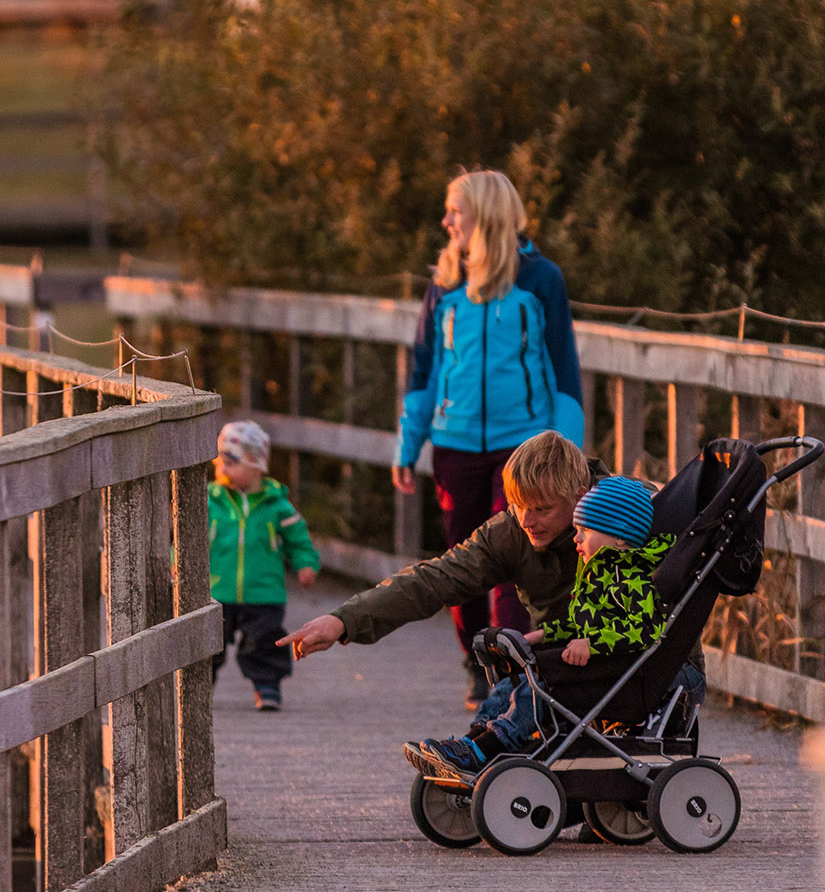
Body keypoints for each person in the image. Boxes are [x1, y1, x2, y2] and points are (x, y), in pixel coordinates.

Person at [393, 170, 585, 704]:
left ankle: (514, 668)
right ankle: (478, 664)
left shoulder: (540, 279)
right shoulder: (445, 283)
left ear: (485, 213)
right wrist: (408, 445)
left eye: (455, 210)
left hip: (520, 445)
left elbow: (564, 368)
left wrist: (570, 461)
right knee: (463, 559)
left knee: (514, 554)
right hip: (454, 444)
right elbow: (424, 370)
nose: (446, 221)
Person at [401, 475, 703, 776]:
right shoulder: (601, 573)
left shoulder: (634, 579)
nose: (576, 538)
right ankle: (474, 742)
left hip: (623, 675)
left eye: (584, 530)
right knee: (513, 682)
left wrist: (592, 644)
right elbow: (578, 623)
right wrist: (539, 636)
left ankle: (489, 748)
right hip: (605, 670)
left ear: (620, 537)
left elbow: (644, 630)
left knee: (536, 690)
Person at [283, 430, 602, 685]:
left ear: (579, 494)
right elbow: (435, 580)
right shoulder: (510, 533)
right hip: (559, 661)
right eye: (518, 506)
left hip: (615, 657)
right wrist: (342, 620)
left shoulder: (628, 517)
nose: (526, 522)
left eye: (541, 509)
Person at [209, 418, 320, 711]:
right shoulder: (210, 501)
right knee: (207, 647)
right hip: (215, 590)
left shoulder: (277, 506)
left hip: (264, 592)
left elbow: (298, 540)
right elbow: (184, 539)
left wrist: (306, 564)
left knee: (264, 641)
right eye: (220, 461)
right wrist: (175, 563)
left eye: (231, 462)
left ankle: (267, 687)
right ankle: (197, 692)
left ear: (255, 464)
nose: (222, 469)